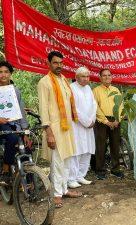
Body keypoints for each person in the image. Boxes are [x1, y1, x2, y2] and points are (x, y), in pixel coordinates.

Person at [37, 51, 82, 208]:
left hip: (67, 127)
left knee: (67, 160)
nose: (59, 66)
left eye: (61, 63)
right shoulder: (44, 82)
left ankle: (63, 189)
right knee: (57, 162)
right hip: (54, 129)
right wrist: (48, 132)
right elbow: (43, 110)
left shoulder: (63, 79)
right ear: (48, 63)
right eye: (55, 63)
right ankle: (56, 195)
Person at [0, 61, 30, 185]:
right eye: (0, 72)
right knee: (12, 138)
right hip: (2, 124)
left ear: (11, 74)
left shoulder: (15, 91)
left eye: (6, 72)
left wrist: (25, 131)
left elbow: (21, 112)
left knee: (26, 147)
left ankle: (28, 181)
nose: (3, 75)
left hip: (14, 123)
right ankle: (6, 170)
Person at [67, 67, 97, 188]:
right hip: (77, 125)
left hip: (89, 124)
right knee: (76, 151)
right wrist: (86, 121)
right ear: (76, 77)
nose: (86, 79)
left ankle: (81, 175)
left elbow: (94, 105)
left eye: (87, 76)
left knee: (87, 150)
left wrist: (92, 119)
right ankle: (71, 179)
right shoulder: (71, 88)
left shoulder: (89, 88)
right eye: (83, 76)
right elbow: (74, 108)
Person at [93, 68, 124, 180]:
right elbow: (95, 107)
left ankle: (115, 169)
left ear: (111, 77)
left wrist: (117, 119)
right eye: (104, 75)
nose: (107, 77)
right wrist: (106, 121)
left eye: (109, 75)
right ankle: (100, 170)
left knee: (115, 145)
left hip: (115, 121)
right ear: (100, 78)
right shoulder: (96, 90)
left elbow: (121, 106)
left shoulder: (116, 90)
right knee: (100, 146)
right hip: (101, 121)